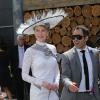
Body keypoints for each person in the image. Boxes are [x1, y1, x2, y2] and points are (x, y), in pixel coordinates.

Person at [17, 9, 67, 100]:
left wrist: (56, 83)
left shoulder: (52, 48)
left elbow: (56, 70)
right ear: (34, 32)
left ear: (47, 32)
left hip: (53, 92)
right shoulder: (30, 51)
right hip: (38, 93)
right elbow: (24, 75)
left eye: (43, 30)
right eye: (37, 30)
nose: (40, 33)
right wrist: (42, 83)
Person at [60, 25, 100, 100]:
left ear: (86, 38)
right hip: (74, 96)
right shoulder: (66, 56)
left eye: (79, 37)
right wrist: (69, 84)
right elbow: (64, 76)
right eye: (73, 37)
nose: (75, 40)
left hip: (92, 96)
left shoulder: (95, 53)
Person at [9, 35, 29, 100]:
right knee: (19, 89)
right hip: (17, 71)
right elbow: (11, 61)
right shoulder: (13, 49)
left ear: (24, 40)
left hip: (28, 71)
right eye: (19, 39)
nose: (21, 41)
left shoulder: (28, 48)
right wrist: (12, 72)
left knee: (29, 87)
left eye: (22, 39)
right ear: (17, 41)